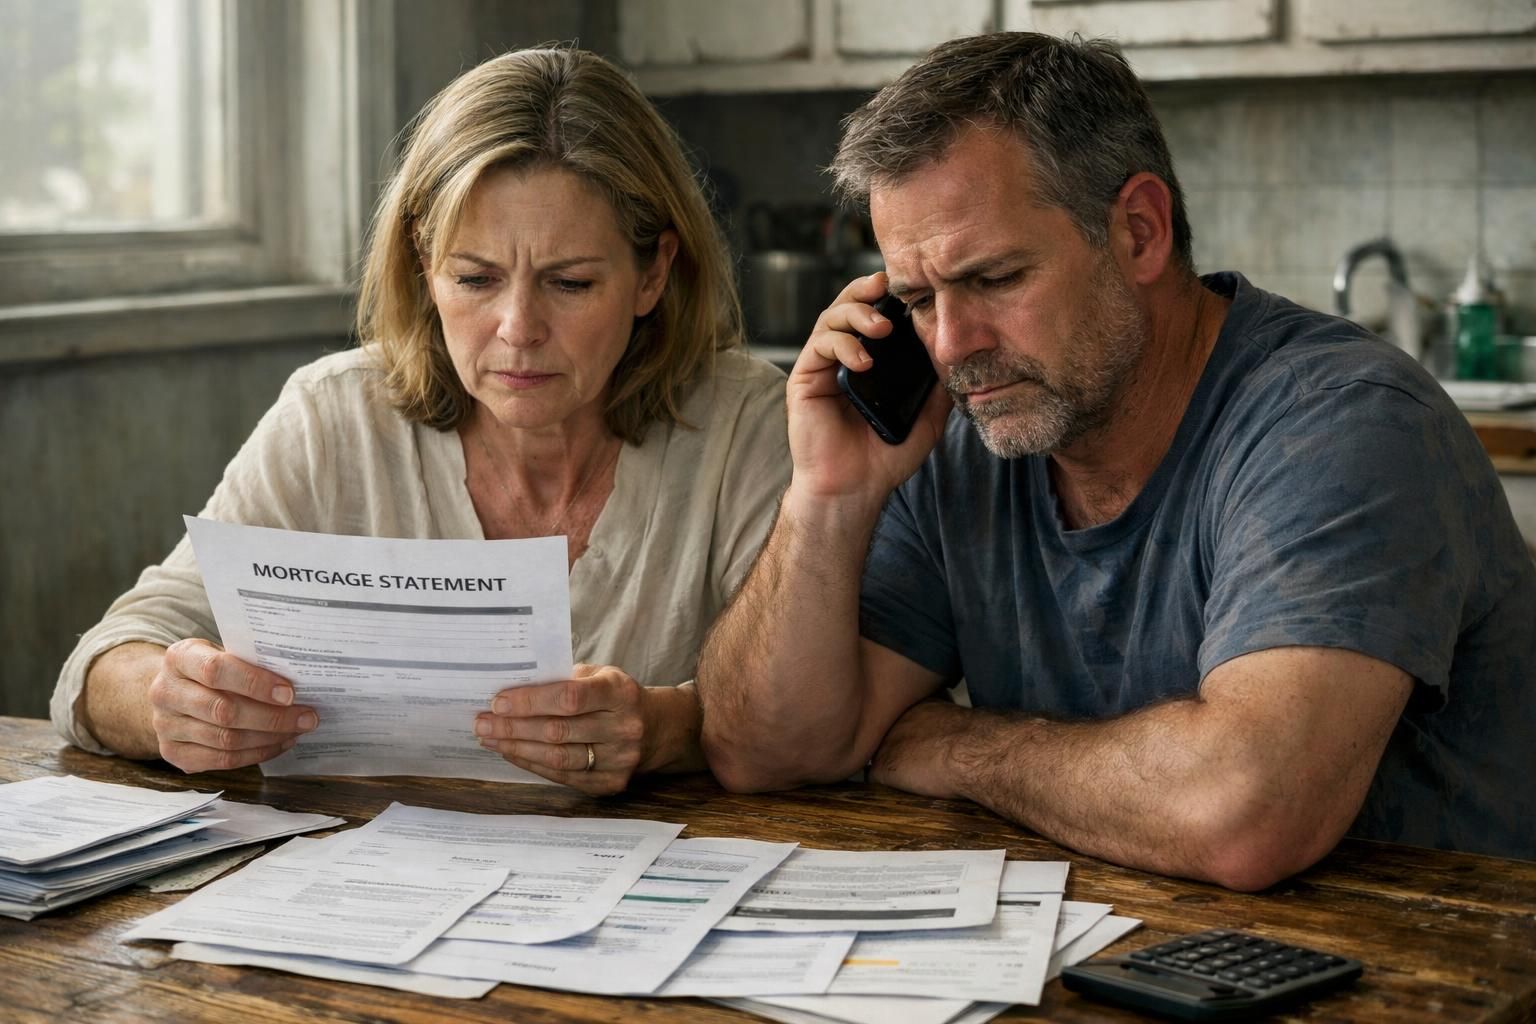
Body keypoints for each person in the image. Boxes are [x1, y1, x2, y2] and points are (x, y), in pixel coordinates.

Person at [695, 31, 1536, 888]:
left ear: (1139, 231)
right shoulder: (964, 434)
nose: (951, 347)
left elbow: (1243, 814)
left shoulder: (1343, 422)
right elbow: (768, 752)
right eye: (917, 299)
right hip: (1136, 946)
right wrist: (826, 497)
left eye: (994, 279)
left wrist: (959, 748)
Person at [52, 47, 790, 796]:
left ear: (654, 274)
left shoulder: (741, 425)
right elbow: (102, 663)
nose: (517, 328)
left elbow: (811, 725)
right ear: (421, 265)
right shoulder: (334, 417)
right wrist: (169, 701)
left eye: (570, 283)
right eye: (474, 279)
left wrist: (664, 728)